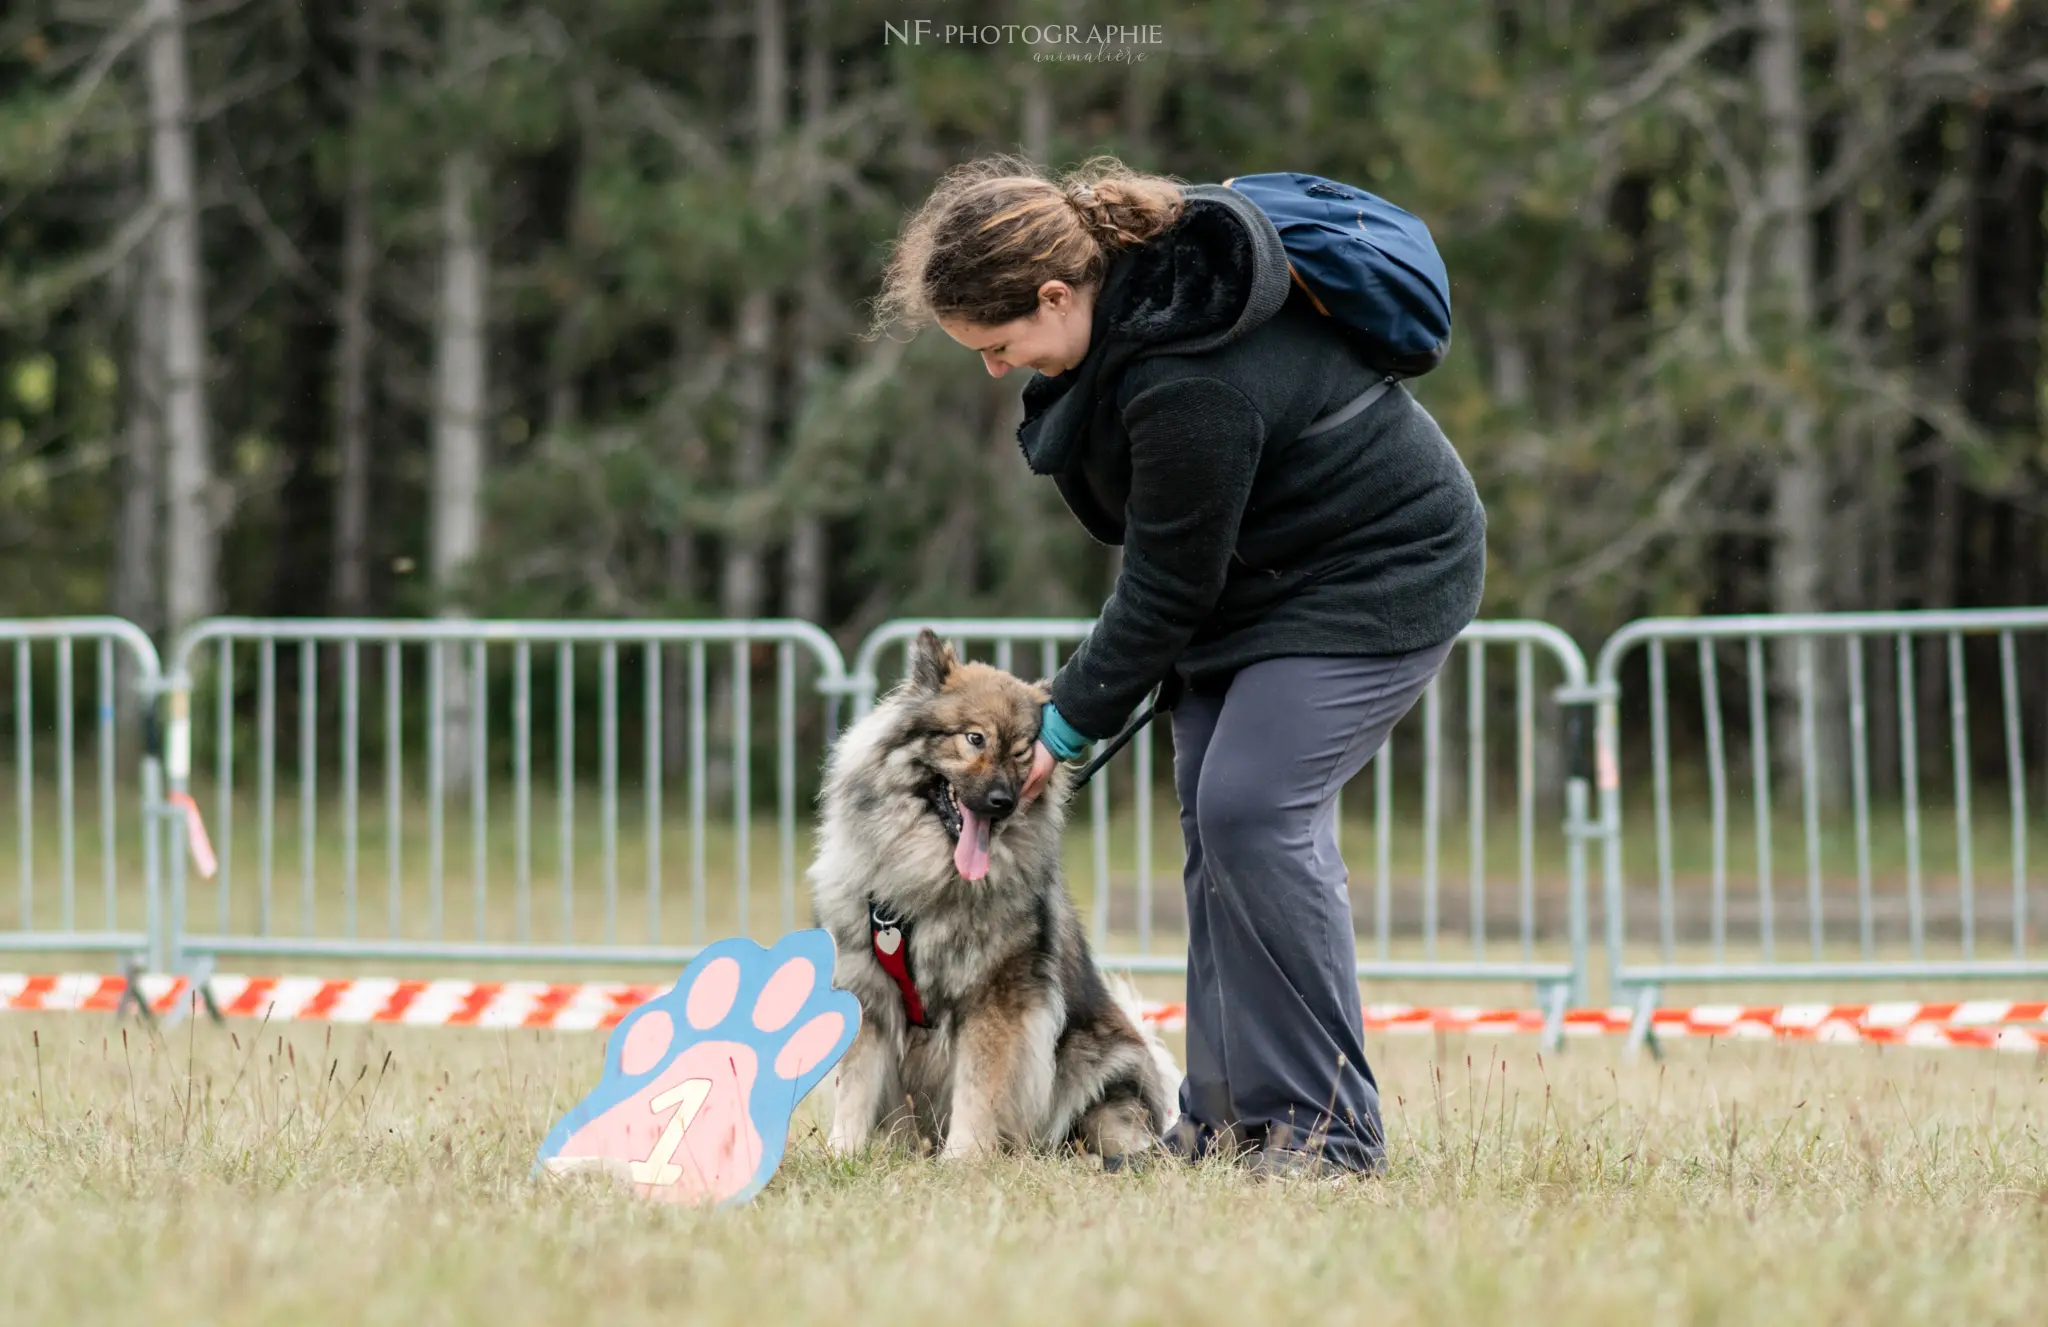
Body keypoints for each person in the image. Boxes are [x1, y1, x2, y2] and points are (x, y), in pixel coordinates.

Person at [865, 155, 1487, 1177]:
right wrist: (1071, 704)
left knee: (1254, 809)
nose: (993, 367)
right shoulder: (1128, 328)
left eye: (998, 342)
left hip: (1377, 569)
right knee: (1214, 815)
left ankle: (1326, 1132)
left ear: (1058, 294)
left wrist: (1058, 728)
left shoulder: (1184, 376)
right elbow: (1172, 571)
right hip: (1263, 578)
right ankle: (1224, 1120)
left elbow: (1162, 588)